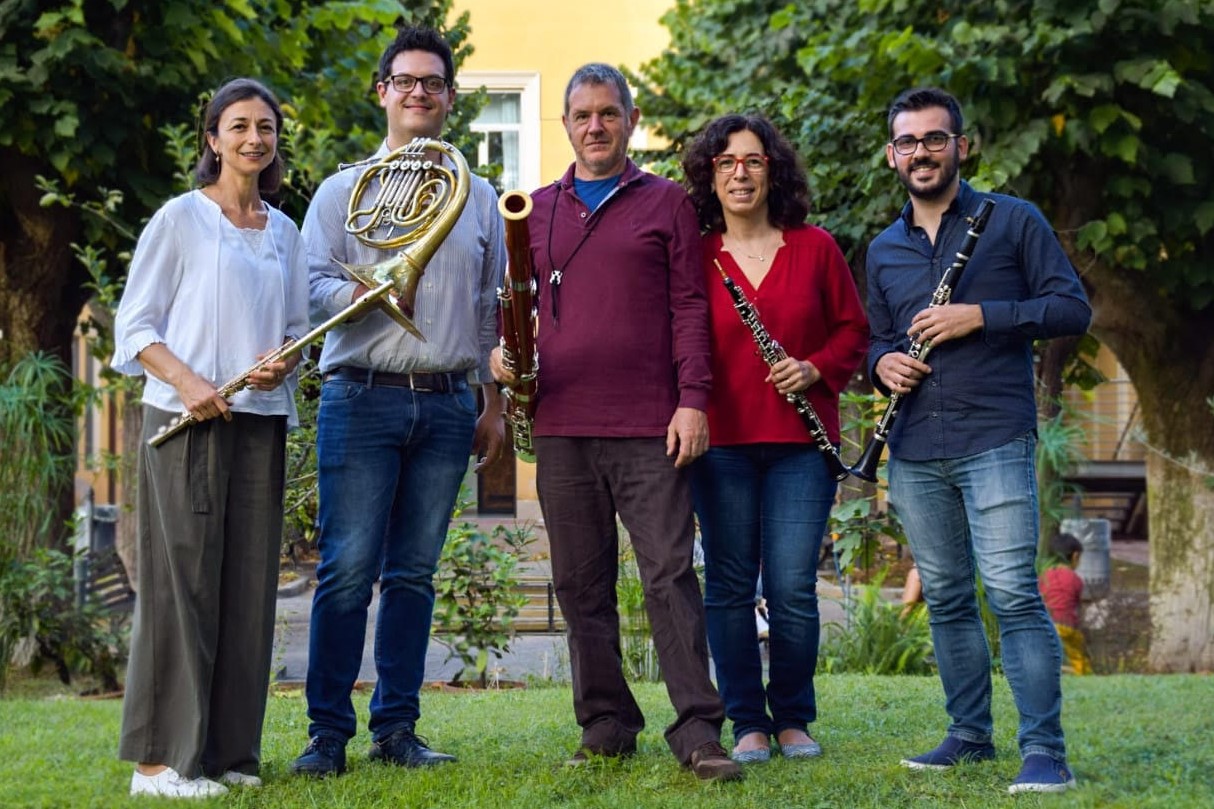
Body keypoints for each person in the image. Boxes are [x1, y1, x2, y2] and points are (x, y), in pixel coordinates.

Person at [490, 63, 741, 782]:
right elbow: (511, 306)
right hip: (563, 423)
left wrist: (693, 398)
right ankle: (605, 723)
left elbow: (691, 307)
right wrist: (499, 354)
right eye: (581, 115)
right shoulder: (533, 209)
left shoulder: (667, 203)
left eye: (607, 113)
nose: (594, 126)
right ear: (565, 125)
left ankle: (698, 729)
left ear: (630, 121)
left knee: (668, 575)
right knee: (578, 582)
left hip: (649, 424)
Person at [290, 25, 505, 777]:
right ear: (381, 92)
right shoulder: (340, 191)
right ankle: (325, 735)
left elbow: (487, 307)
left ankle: (396, 729)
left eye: (433, 82)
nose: (419, 92)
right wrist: (365, 290)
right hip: (362, 395)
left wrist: (495, 403)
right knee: (347, 569)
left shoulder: (475, 196)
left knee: (414, 572)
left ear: (449, 98)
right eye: (405, 80)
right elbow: (308, 287)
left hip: (447, 401)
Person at [865, 87, 1091, 794]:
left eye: (936, 138)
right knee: (949, 597)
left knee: (1015, 594)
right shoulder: (883, 248)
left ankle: (1045, 751)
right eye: (908, 141)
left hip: (994, 436)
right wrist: (880, 362)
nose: (922, 152)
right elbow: (871, 338)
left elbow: (1071, 307)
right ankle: (968, 735)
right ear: (891, 154)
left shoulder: (1012, 220)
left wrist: (981, 317)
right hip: (915, 447)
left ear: (962, 146)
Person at [112, 77, 309, 798]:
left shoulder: (284, 231)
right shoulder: (179, 220)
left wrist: (285, 358)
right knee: (183, 586)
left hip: (259, 423)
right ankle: (160, 763)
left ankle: (229, 753)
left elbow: (294, 330)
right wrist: (191, 383)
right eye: (239, 126)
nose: (254, 138)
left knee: (248, 588)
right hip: (186, 422)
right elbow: (134, 328)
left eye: (266, 127)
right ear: (212, 137)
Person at [680, 114, 868, 764]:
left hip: (798, 445)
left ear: (772, 170)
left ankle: (792, 716)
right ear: (711, 174)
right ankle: (746, 720)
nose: (740, 172)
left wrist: (815, 366)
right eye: (727, 161)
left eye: (753, 161)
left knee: (790, 585)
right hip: (722, 443)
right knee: (729, 584)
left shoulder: (815, 247)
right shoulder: (695, 254)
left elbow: (853, 331)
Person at [1039, 533, 1093, 675]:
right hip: (1066, 628)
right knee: (1081, 660)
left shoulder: (1043, 576)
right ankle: (1082, 675)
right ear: (1075, 556)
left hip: (1045, 627)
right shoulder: (1075, 579)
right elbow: (1078, 609)